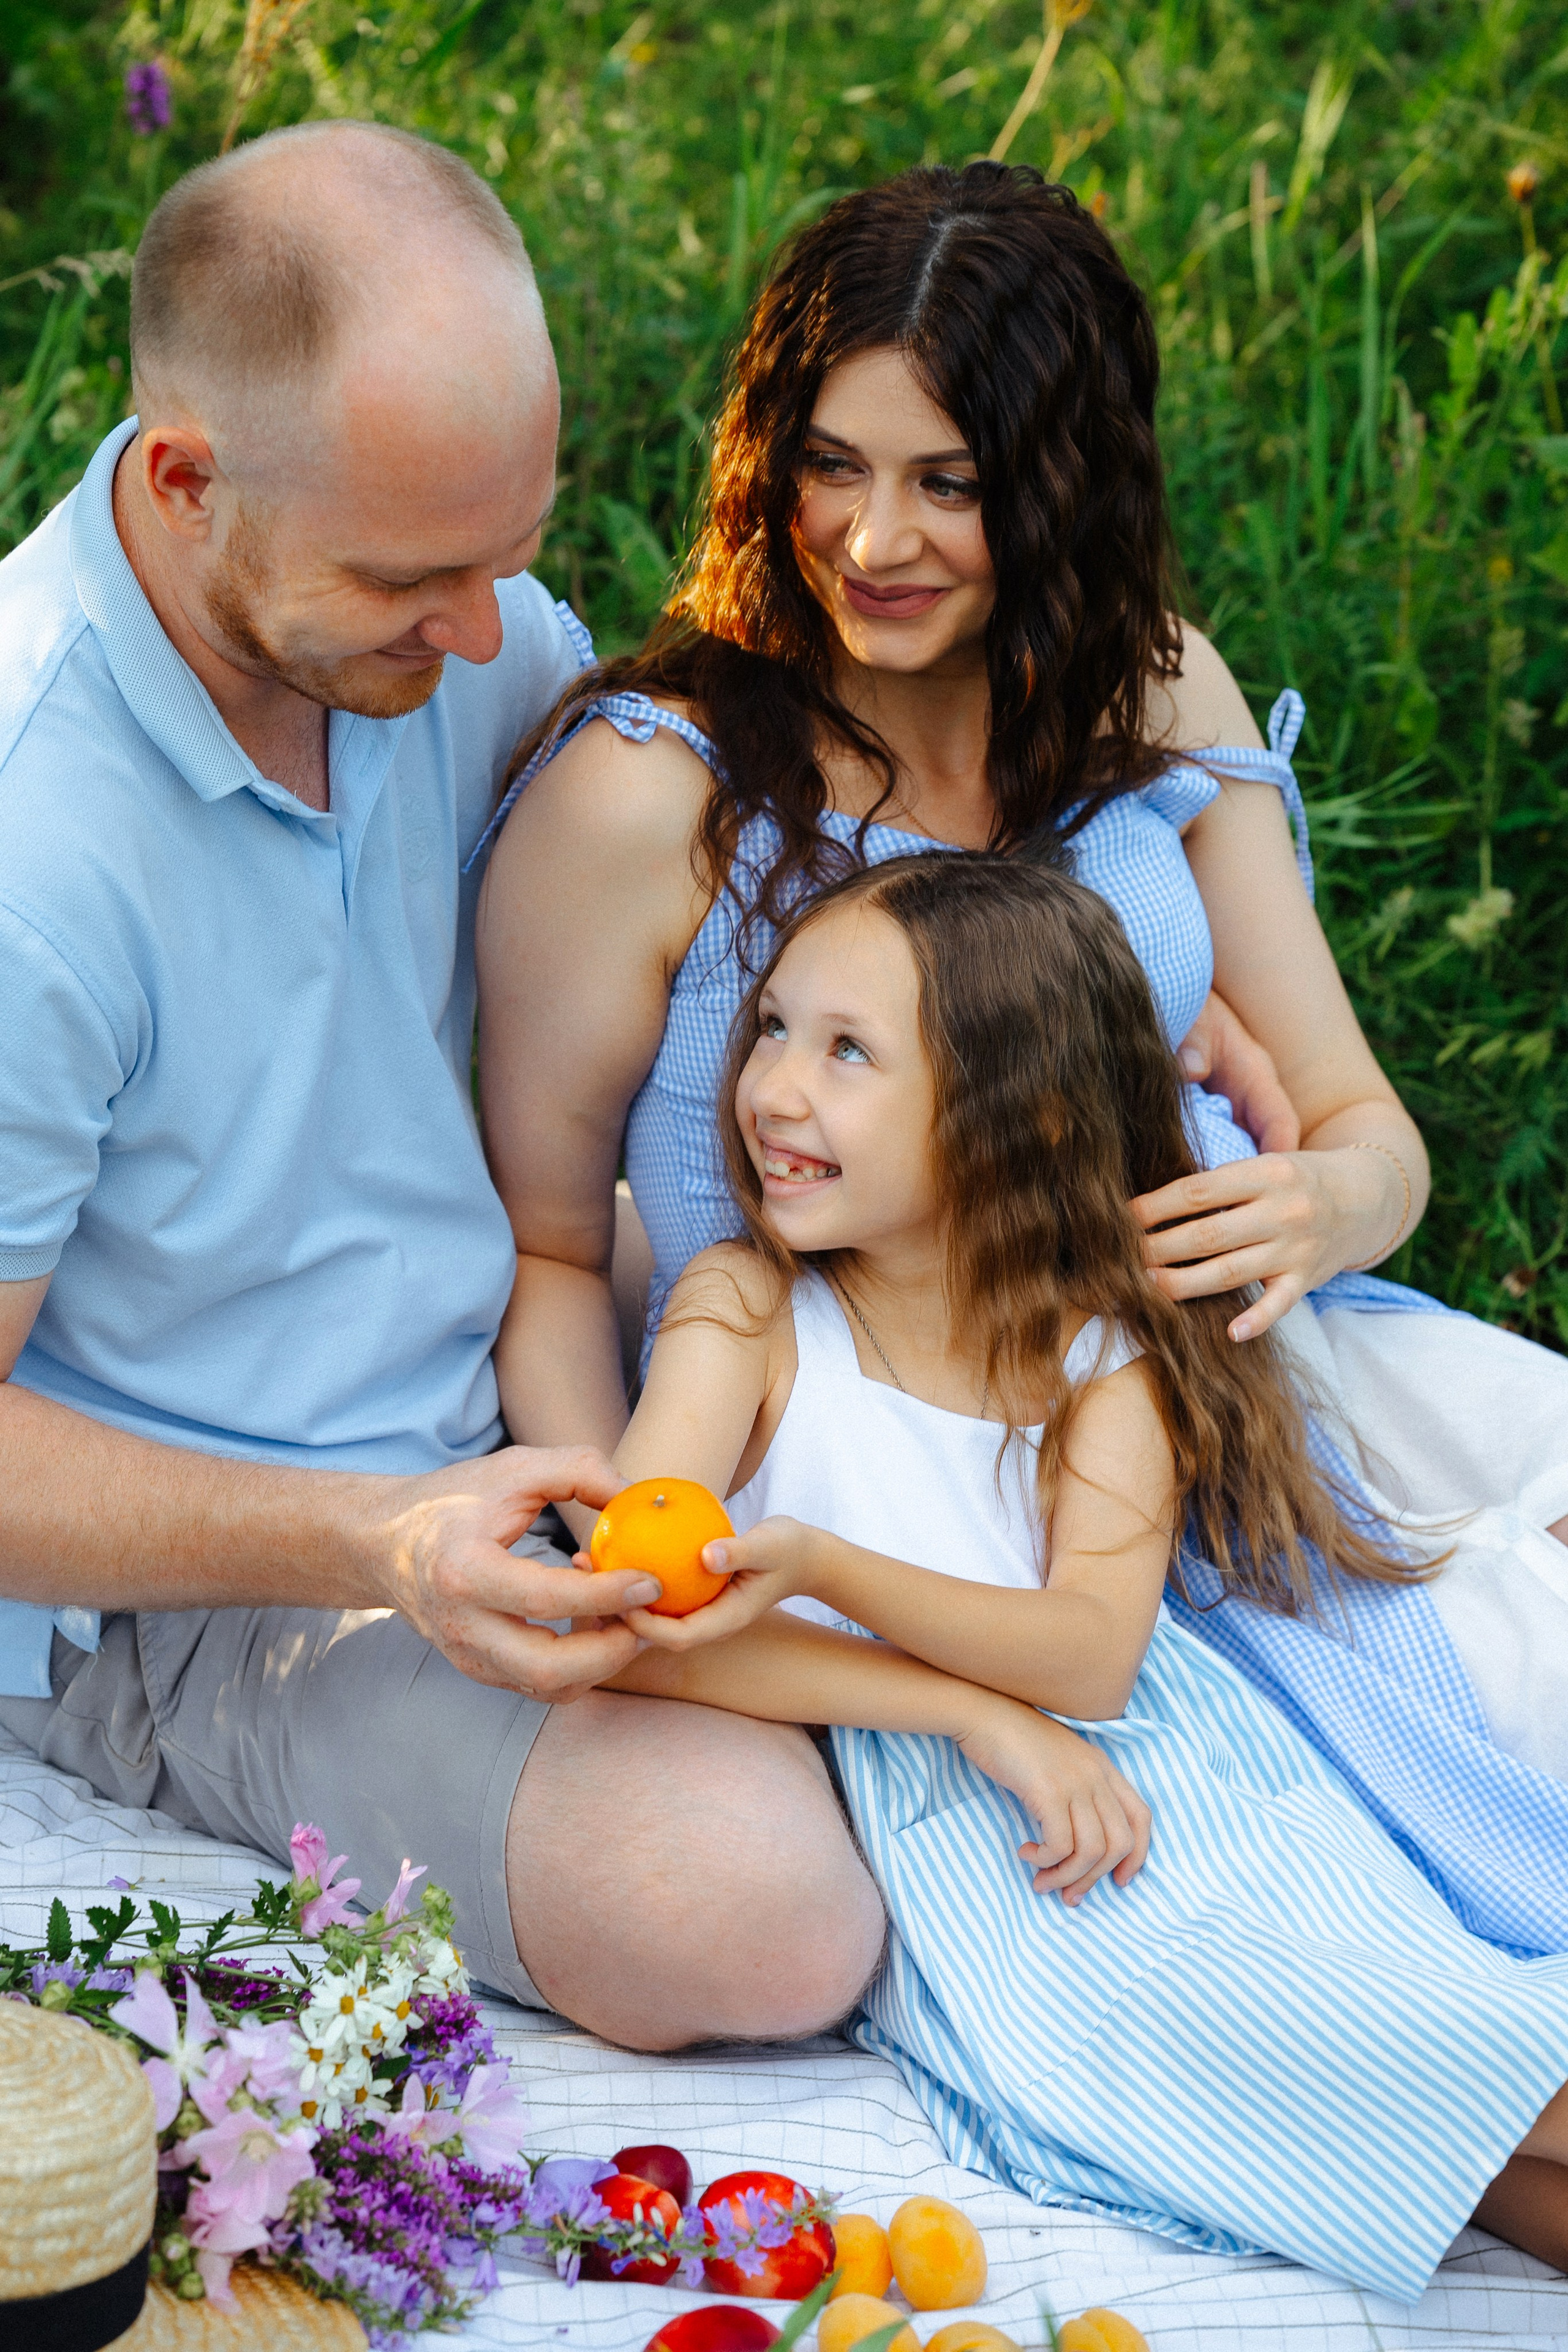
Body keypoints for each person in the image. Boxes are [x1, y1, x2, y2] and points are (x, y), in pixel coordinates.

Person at [475, 160, 1568, 1949]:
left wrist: (1322, 1206)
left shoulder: (1149, 692)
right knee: (1410, 1815)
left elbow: (1373, 1131)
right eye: (830, 464)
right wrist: (636, 1567)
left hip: (1229, 1377)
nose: (872, 540)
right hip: (923, 1466)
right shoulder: (647, 792)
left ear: (1063, 485)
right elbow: (542, 1242)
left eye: (950, 484)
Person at [0, 119, 889, 2050]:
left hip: (506, 1359)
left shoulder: (429, 636)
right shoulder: (27, 852)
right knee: (763, 1911)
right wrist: (380, 1543)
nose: (494, 638)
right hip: (208, 1565)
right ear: (183, 481)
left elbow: (716, 845)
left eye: (514, 553)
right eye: (418, 577)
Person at [587, 850, 1568, 2296]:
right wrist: (976, 1718)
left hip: (1175, 1780)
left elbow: (1091, 1656)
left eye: (847, 1050)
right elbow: (639, 1624)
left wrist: (826, 1566)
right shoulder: (746, 1310)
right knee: (1356, 2079)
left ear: (1018, 1113)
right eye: (774, 1029)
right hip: (982, 1843)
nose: (775, 1088)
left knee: (1425, 2044)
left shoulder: (1095, 1349)